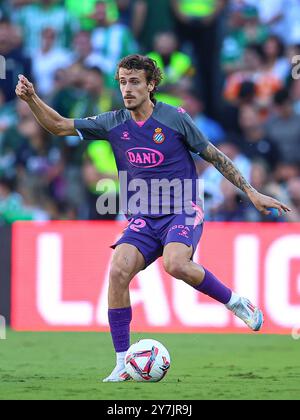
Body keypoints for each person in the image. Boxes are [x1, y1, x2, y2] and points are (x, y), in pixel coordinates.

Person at [15, 54, 291, 383]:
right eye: (122, 82)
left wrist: (252, 192)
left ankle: (236, 303)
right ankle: (121, 361)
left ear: (151, 84)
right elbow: (59, 126)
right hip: (143, 216)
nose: (127, 88)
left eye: (134, 82)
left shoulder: (174, 119)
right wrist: (32, 99)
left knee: (175, 264)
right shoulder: (113, 122)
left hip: (182, 208)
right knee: (118, 270)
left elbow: (214, 156)